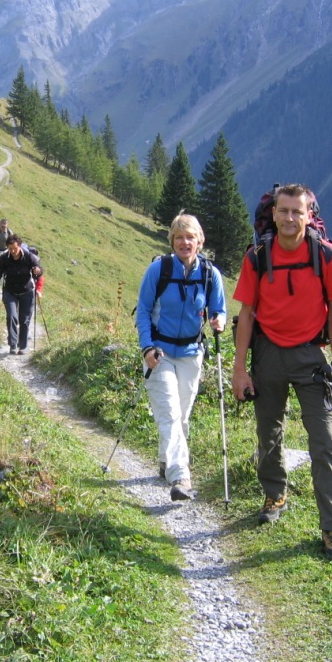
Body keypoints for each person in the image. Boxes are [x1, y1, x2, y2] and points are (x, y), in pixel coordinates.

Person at [230, 183, 332, 562]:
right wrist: (239, 369)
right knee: (268, 433)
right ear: (274, 213)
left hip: (311, 357)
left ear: (309, 215)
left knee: (326, 442)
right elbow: (246, 314)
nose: (290, 218)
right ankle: (274, 494)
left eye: (297, 211)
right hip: (267, 354)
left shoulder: (326, 255)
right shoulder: (257, 257)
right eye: (283, 211)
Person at [135, 213, 226, 502]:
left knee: (181, 416)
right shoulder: (158, 270)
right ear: (172, 241)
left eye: (190, 237)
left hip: (191, 354)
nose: (184, 242)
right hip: (159, 353)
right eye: (179, 237)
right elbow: (142, 311)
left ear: (200, 241)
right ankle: (180, 477)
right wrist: (147, 348)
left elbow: (219, 308)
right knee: (171, 413)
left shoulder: (210, 274)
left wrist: (219, 320)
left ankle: (166, 461)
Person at [0, 235, 42, 355]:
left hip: (27, 291)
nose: (13, 251)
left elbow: (39, 270)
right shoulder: (4, 258)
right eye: (10, 249)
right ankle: (13, 344)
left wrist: (37, 270)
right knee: (11, 316)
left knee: (24, 320)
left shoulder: (29, 257)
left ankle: (23, 346)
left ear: (19, 246)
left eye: (15, 248)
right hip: (10, 291)